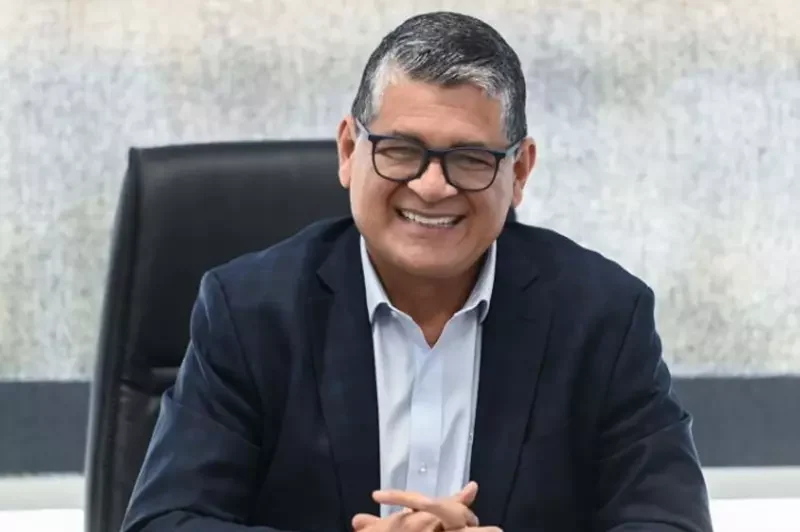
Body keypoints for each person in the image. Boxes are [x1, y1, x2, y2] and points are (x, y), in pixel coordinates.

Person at [121, 11, 712, 532]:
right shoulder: (249, 312)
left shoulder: (603, 317)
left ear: (519, 172)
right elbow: (165, 521)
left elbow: (671, 521)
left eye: (470, 158)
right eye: (401, 150)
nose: (432, 187)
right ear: (349, 152)